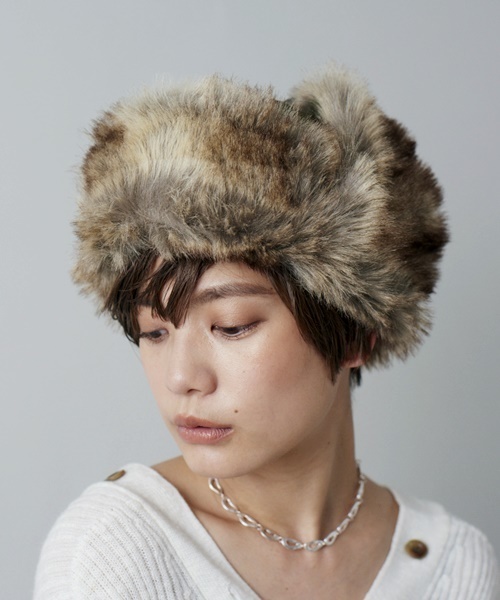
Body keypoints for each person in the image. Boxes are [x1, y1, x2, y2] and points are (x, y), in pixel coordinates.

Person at [34, 64, 499, 599]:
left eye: (230, 327)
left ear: (355, 333)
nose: (181, 378)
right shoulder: (111, 550)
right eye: (153, 332)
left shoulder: (453, 565)